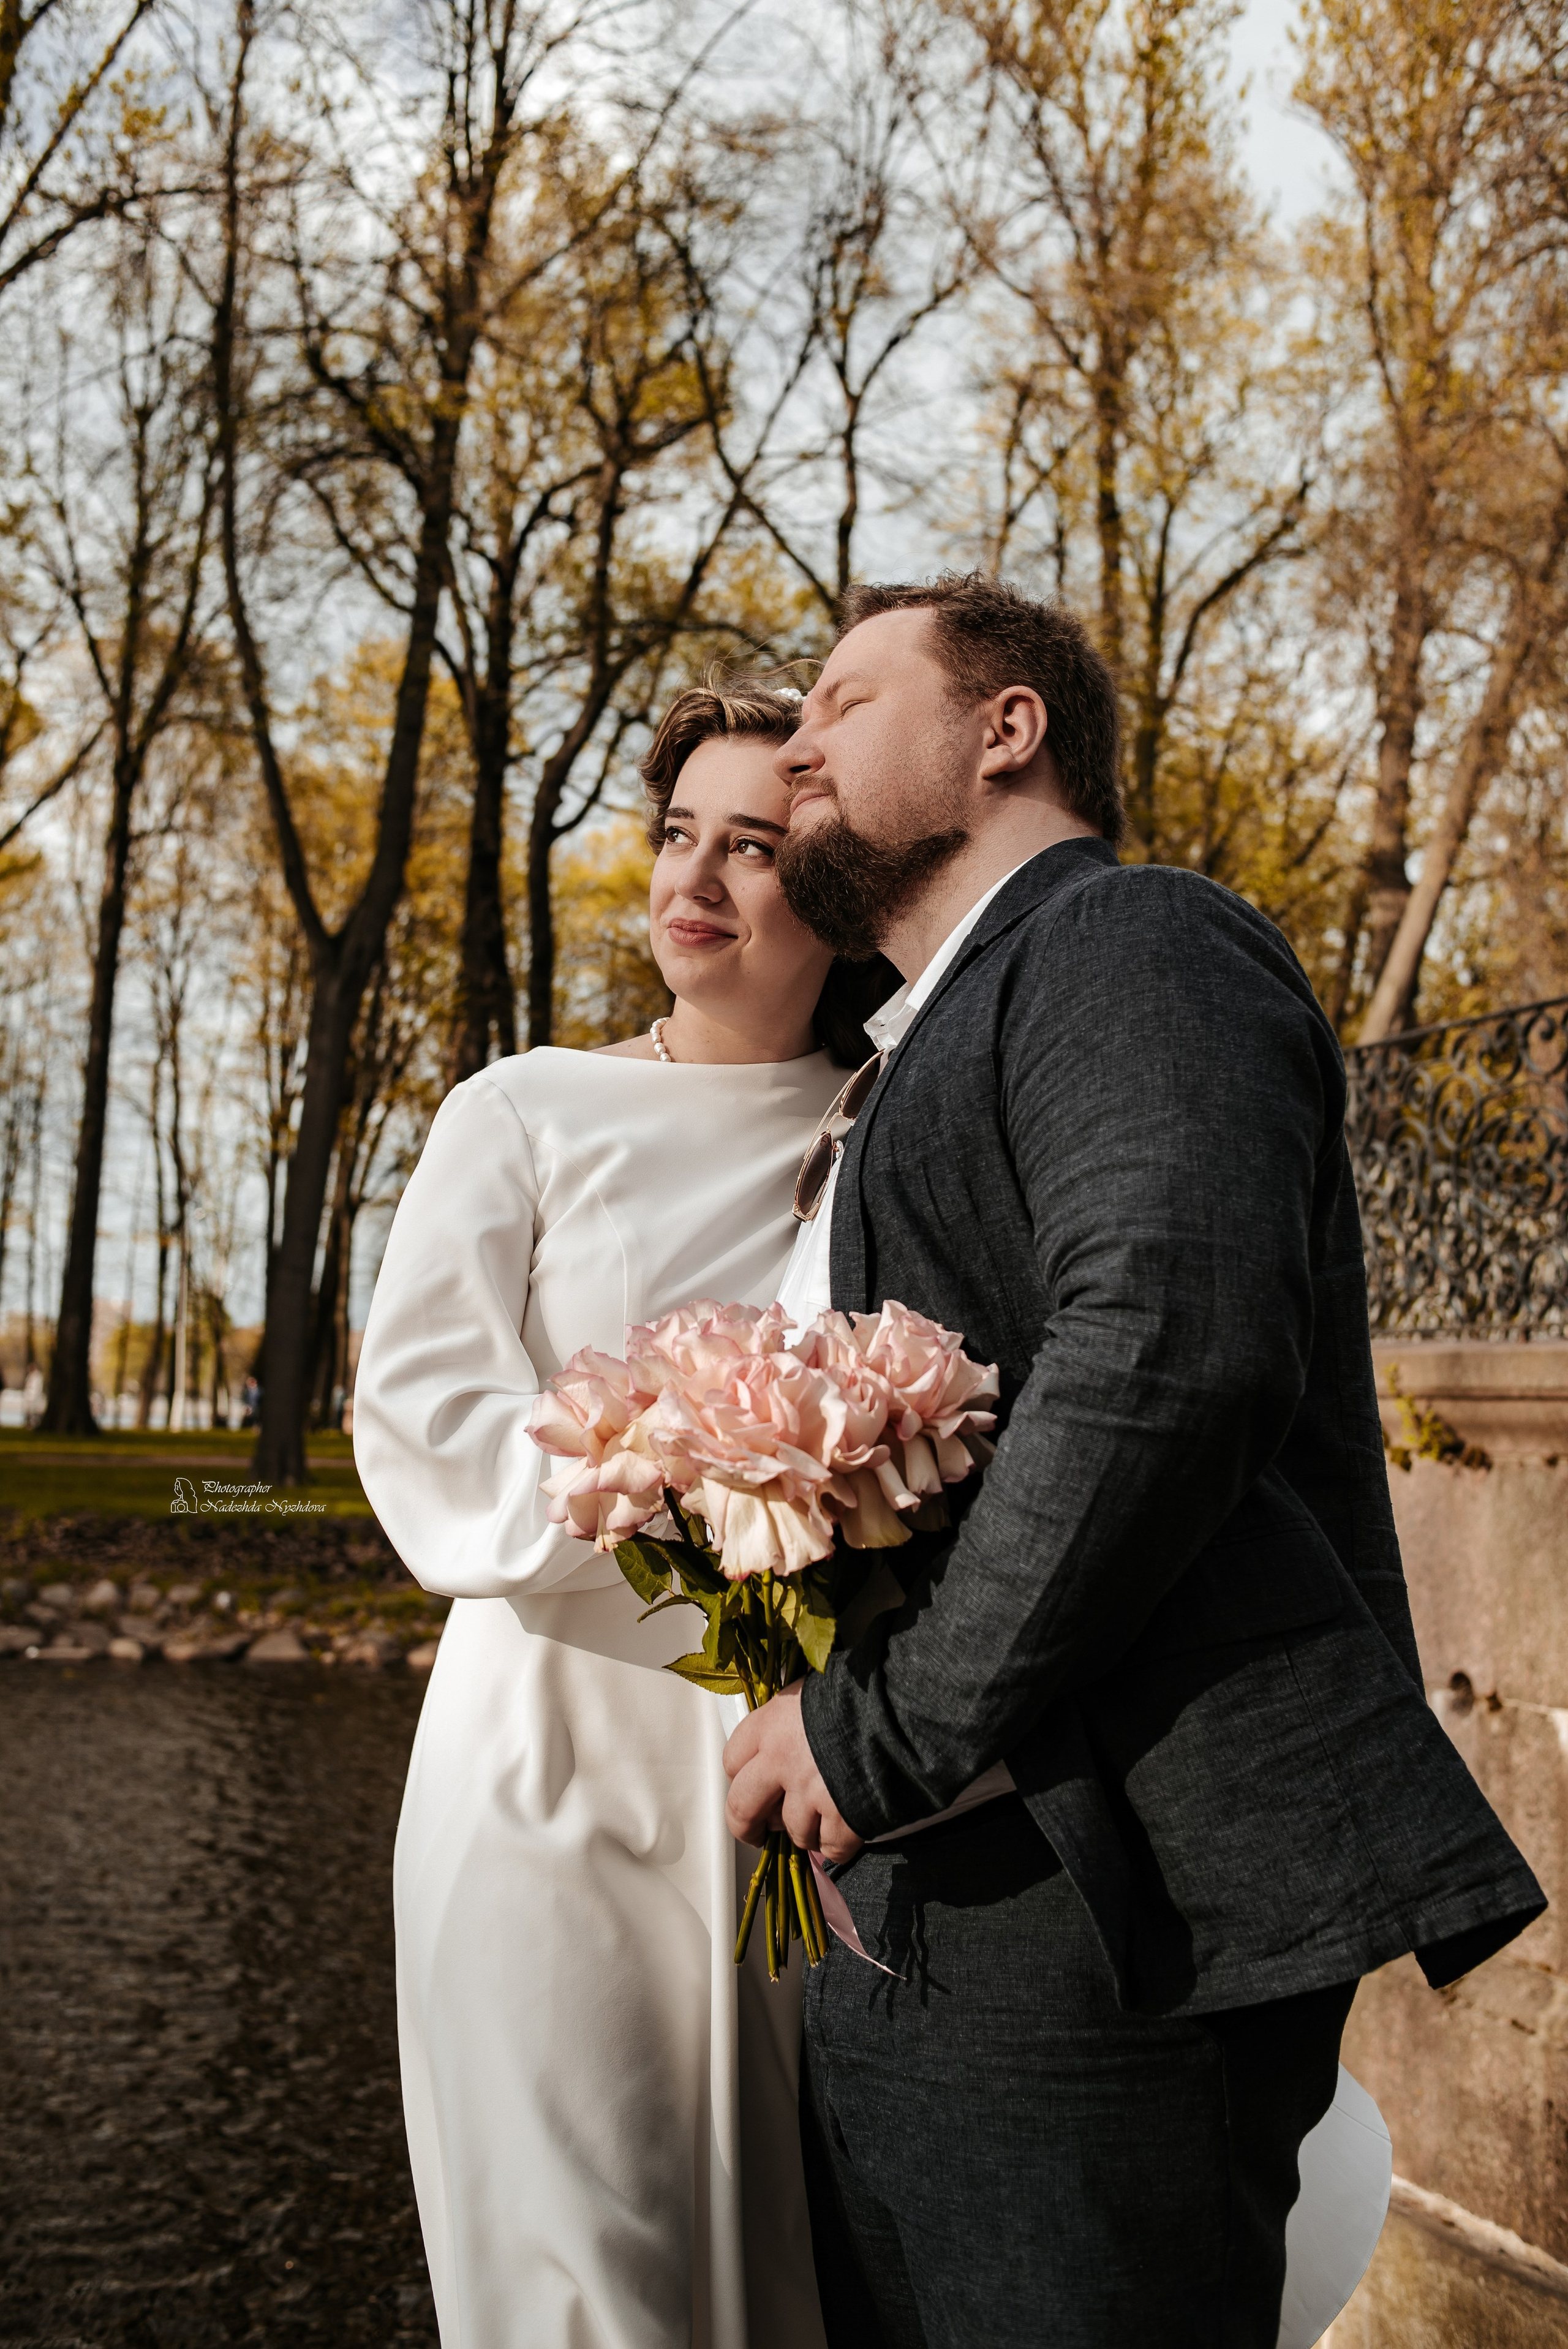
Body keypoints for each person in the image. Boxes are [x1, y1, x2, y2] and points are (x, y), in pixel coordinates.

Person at [724, 574, 1545, 2349]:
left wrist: (878, 1733)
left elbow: (1169, 1343)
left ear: (1006, 730)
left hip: (1098, 1921)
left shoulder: (1130, 939)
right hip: (923, 1917)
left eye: (847, 702)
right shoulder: (920, 1046)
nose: (797, 748)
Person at [353, 679, 891, 2349]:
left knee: (784, 2266)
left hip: (795, 1773)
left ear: (836, 890)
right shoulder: (524, 1109)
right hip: (549, 1759)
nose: (696, 878)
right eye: (677, 834)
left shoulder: (891, 1125)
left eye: (755, 846)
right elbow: (426, 1426)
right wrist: (693, 1466)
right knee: (581, 2276)